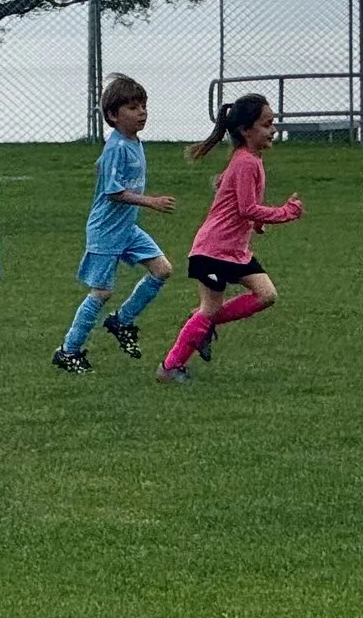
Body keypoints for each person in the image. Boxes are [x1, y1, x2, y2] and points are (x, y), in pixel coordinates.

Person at [157, 94, 301, 385]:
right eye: (266, 124)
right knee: (210, 308)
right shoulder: (245, 162)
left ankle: (199, 323)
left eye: (273, 123)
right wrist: (285, 212)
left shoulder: (249, 161)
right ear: (246, 130)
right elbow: (246, 207)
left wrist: (257, 223)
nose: (273, 130)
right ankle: (170, 367)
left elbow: (240, 202)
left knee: (266, 295)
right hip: (213, 250)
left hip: (234, 250)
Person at [54, 73, 179, 373]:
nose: (142, 113)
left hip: (126, 229)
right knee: (102, 292)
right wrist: (151, 201)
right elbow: (113, 192)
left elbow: (106, 170)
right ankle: (69, 351)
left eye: (143, 106)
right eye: (133, 108)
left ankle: (121, 320)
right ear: (112, 115)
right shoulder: (117, 147)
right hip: (106, 231)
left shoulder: (132, 143)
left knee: (162, 270)